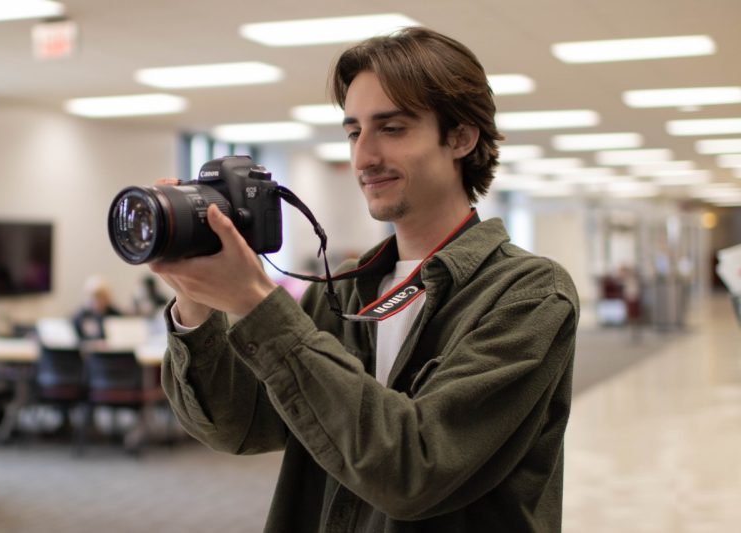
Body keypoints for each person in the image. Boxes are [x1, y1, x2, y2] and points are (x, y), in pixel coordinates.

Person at [152, 27, 579, 532]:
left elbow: (414, 471)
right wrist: (195, 300)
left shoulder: (527, 294)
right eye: (354, 131)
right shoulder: (343, 293)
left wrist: (257, 303)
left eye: (392, 128)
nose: (364, 156)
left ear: (461, 137)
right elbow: (239, 428)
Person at [71, 275, 122, 340]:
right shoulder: (80, 316)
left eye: (101, 297)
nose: (97, 301)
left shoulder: (115, 315)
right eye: (94, 297)